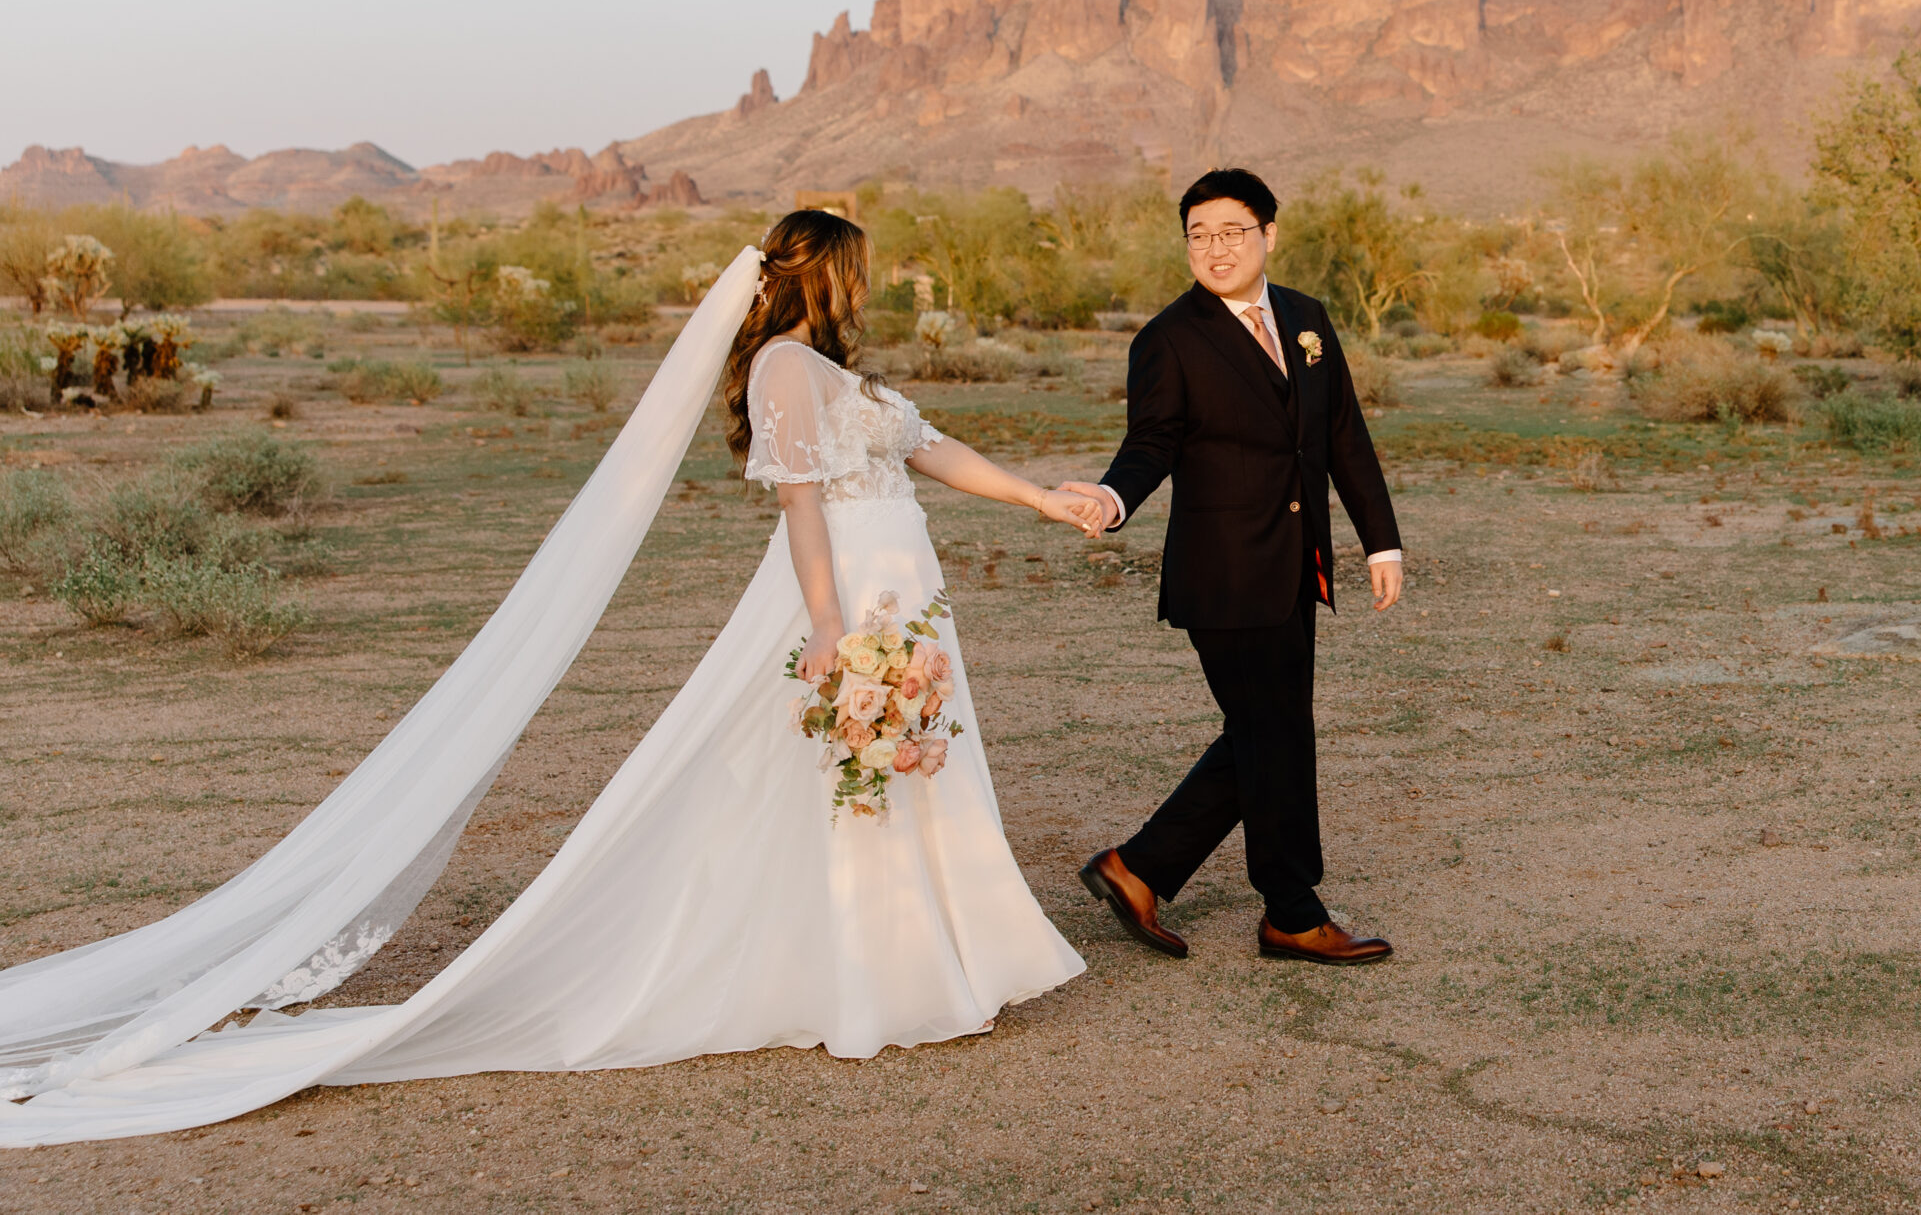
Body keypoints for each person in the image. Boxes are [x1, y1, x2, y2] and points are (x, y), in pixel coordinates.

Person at [0, 210, 1100, 1145]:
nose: (869, 284)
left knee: (905, 766)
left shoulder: (834, 373)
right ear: (827, 273)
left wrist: (1045, 499)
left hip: (903, 590)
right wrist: (823, 624)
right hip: (851, 594)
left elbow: (931, 449)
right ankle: (875, 973)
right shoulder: (783, 368)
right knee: (836, 773)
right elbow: (801, 504)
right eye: (858, 268)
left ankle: (930, 957)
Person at [1063, 168, 1404, 966]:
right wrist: (1113, 500)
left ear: (1268, 235)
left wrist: (1378, 541)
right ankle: (1290, 908)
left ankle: (1140, 867)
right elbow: (1151, 443)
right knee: (1273, 732)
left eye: (1231, 232)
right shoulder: (1168, 339)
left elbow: (1342, 438)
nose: (1214, 248)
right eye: (1199, 235)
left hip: (1295, 566)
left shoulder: (1308, 320)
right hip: (1221, 573)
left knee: (1265, 732)